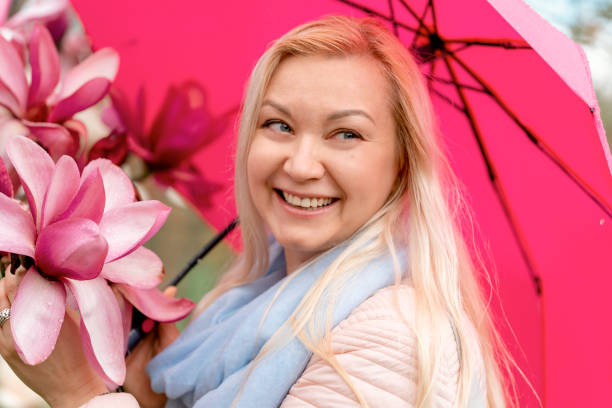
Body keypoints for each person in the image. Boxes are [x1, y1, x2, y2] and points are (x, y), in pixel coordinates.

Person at [0, 15, 519, 408]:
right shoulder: (242, 310)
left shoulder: (393, 337)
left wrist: (80, 391)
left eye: (346, 134)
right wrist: (141, 394)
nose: (300, 163)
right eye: (279, 125)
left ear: (403, 167)